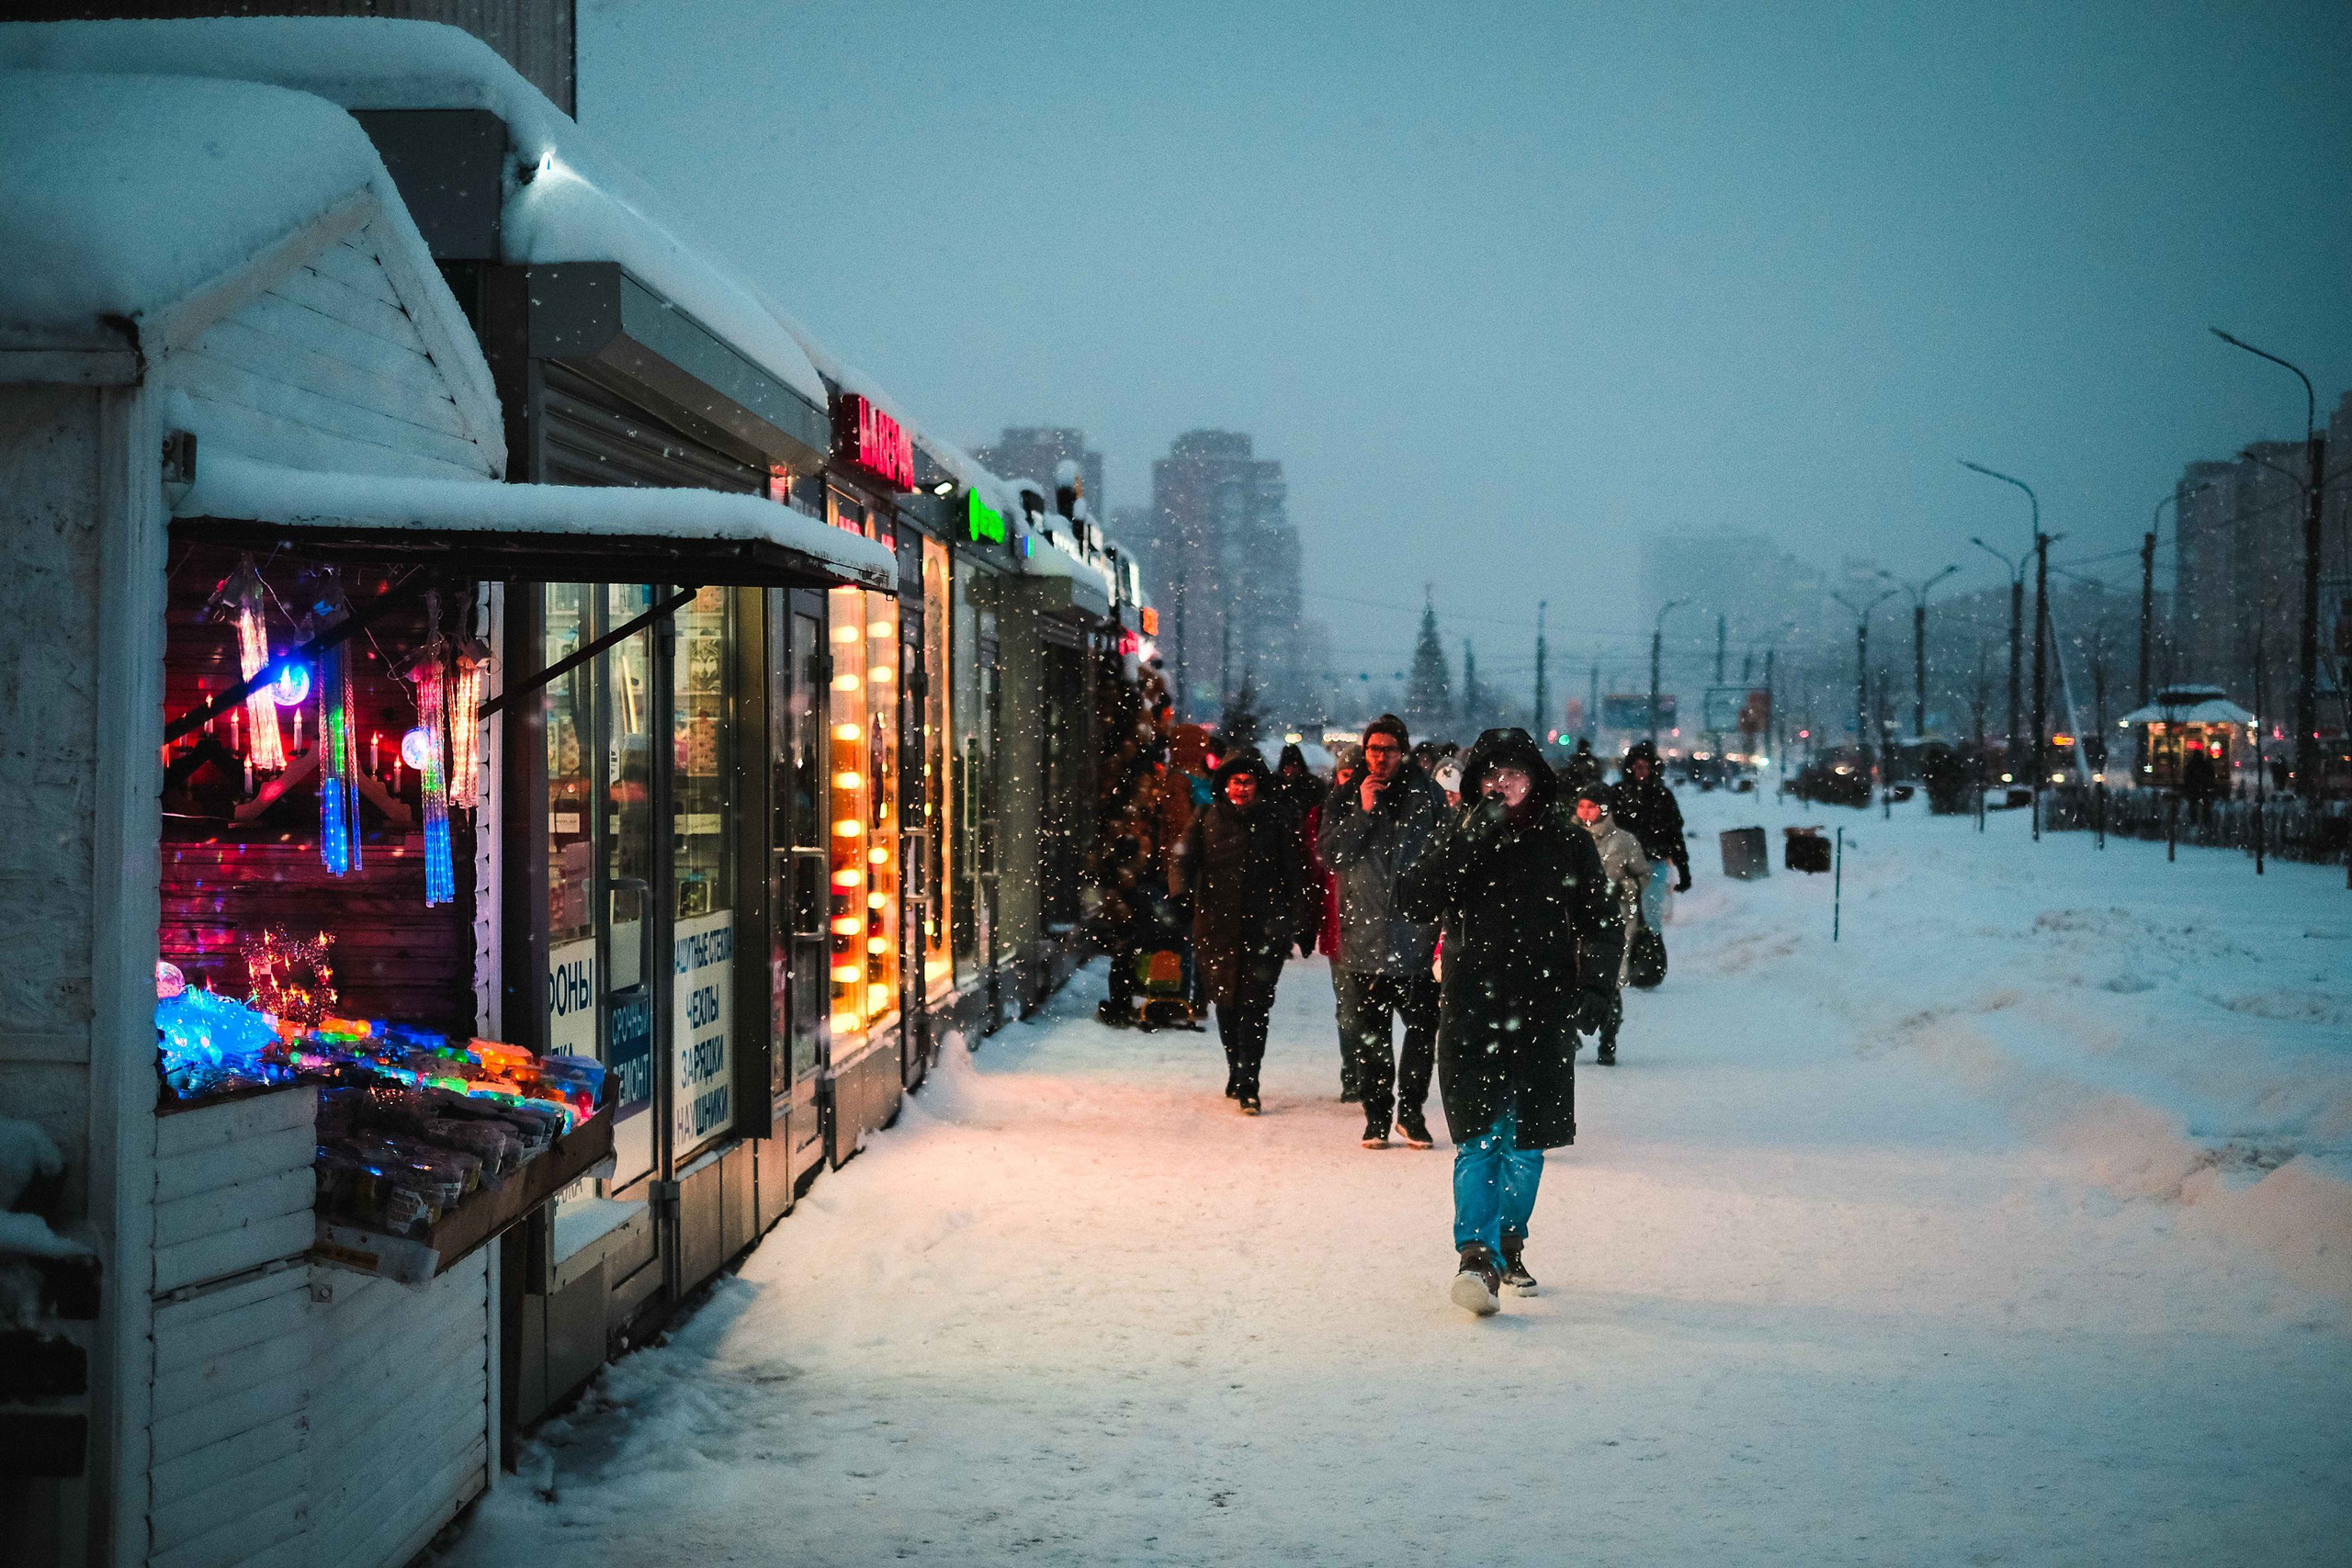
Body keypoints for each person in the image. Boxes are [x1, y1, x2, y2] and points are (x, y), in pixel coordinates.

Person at [1401, 728, 1615, 1314]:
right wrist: (1464, 839)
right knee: (1479, 1137)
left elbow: (1600, 917)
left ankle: (1509, 1241)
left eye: (1514, 774)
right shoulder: (1461, 832)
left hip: (1544, 1008)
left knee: (1526, 1143)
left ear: (1535, 780)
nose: (1503, 785)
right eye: (1491, 775)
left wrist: (1596, 985)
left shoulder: (1567, 840)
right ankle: (1476, 1254)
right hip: (1473, 1006)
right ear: (1475, 783)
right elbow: (1414, 901)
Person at [1317, 714, 1447, 1150]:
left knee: (1421, 1032)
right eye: (1374, 749)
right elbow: (1333, 856)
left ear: (1403, 752)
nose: (1380, 758)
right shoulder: (1345, 796)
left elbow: (1443, 858)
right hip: (1364, 937)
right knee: (1371, 1034)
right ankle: (1376, 1116)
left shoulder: (1427, 795)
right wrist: (1365, 813)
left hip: (1417, 936)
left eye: (1389, 749)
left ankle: (1411, 1113)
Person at [1171, 752, 1304, 1113]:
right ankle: (1236, 1068)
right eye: (1235, 782)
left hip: (1264, 929)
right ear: (1224, 785)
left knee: (1255, 1007)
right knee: (1226, 1006)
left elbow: (1294, 873)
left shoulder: (1275, 821)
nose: (1241, 789)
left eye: (1247, 782)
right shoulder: (1206, 819)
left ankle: (1249, 1082)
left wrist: (1300, 922)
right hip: (1216, 928)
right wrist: (1181, 894)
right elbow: (1182, 859)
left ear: (1258, 785)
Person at [1572, 784, 1648, 1066]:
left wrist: (1622, 888)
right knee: (1568, 976)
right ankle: (1568, 1034)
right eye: (1581, 805)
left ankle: (1608, 1036)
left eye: (1591, 806)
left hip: (1612, 921)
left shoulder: (1624, 841)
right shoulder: (1567, 837)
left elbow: (1642, 876)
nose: (1585, 812)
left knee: (1609, 980)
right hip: (1574, 919)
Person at [1609, 739, 1690, 937]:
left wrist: (1683, 869)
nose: (1642, 771)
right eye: (1638, 766)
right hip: (1623, 864)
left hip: (1654, 862)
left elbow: (1675, 834)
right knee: (1625, 914)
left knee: (1651, 912)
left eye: (1646, 766)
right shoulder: (1618, 794)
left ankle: (1650, 951)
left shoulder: (1662, 796)